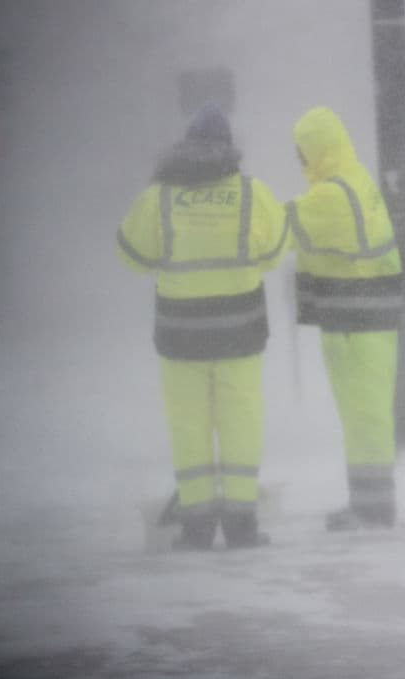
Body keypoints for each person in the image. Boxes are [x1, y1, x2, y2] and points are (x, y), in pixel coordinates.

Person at [117, 104, 287, 550]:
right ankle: (241, 525)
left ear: (184, 147)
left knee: (188, 426)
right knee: (240, 423)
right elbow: (273, 254)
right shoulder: (253, 194)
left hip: (181, 335)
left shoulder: (160, 196)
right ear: (232, 150)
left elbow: (131, 256)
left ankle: (196, 527)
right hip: (240, 331)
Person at [287, 106, 403, 532]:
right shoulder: (355, 179)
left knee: (364, 417)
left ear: (316, 149)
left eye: (302, 151)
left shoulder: (332, 194)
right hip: (363, 315)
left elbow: (279, 228)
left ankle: (373, 508)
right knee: (363, 417)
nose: (298, 160)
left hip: (356, 317)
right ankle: (369, 503)